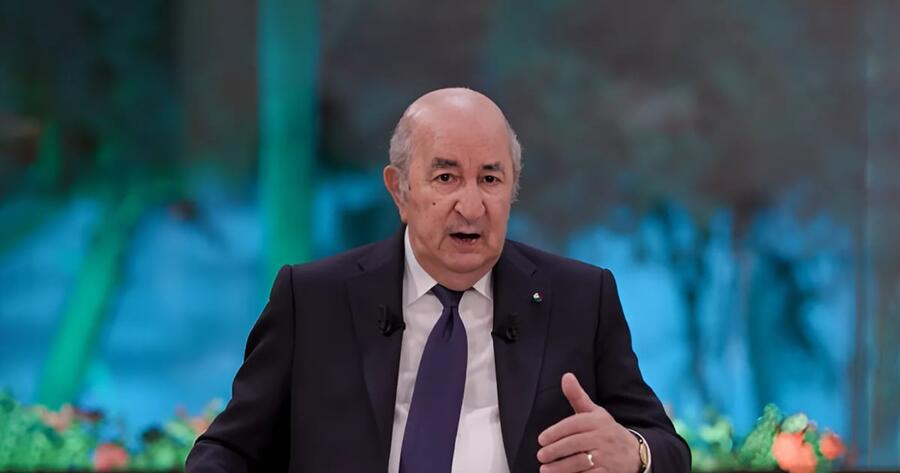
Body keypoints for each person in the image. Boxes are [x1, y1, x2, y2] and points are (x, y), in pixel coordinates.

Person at [186, 88, 690, 473]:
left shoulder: (580, 298)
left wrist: (635, 453)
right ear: (399, 189)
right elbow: (227, 450)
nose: (471, 206)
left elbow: (669, 448)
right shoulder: (314, 300)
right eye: (446, 178)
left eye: (490, 179)